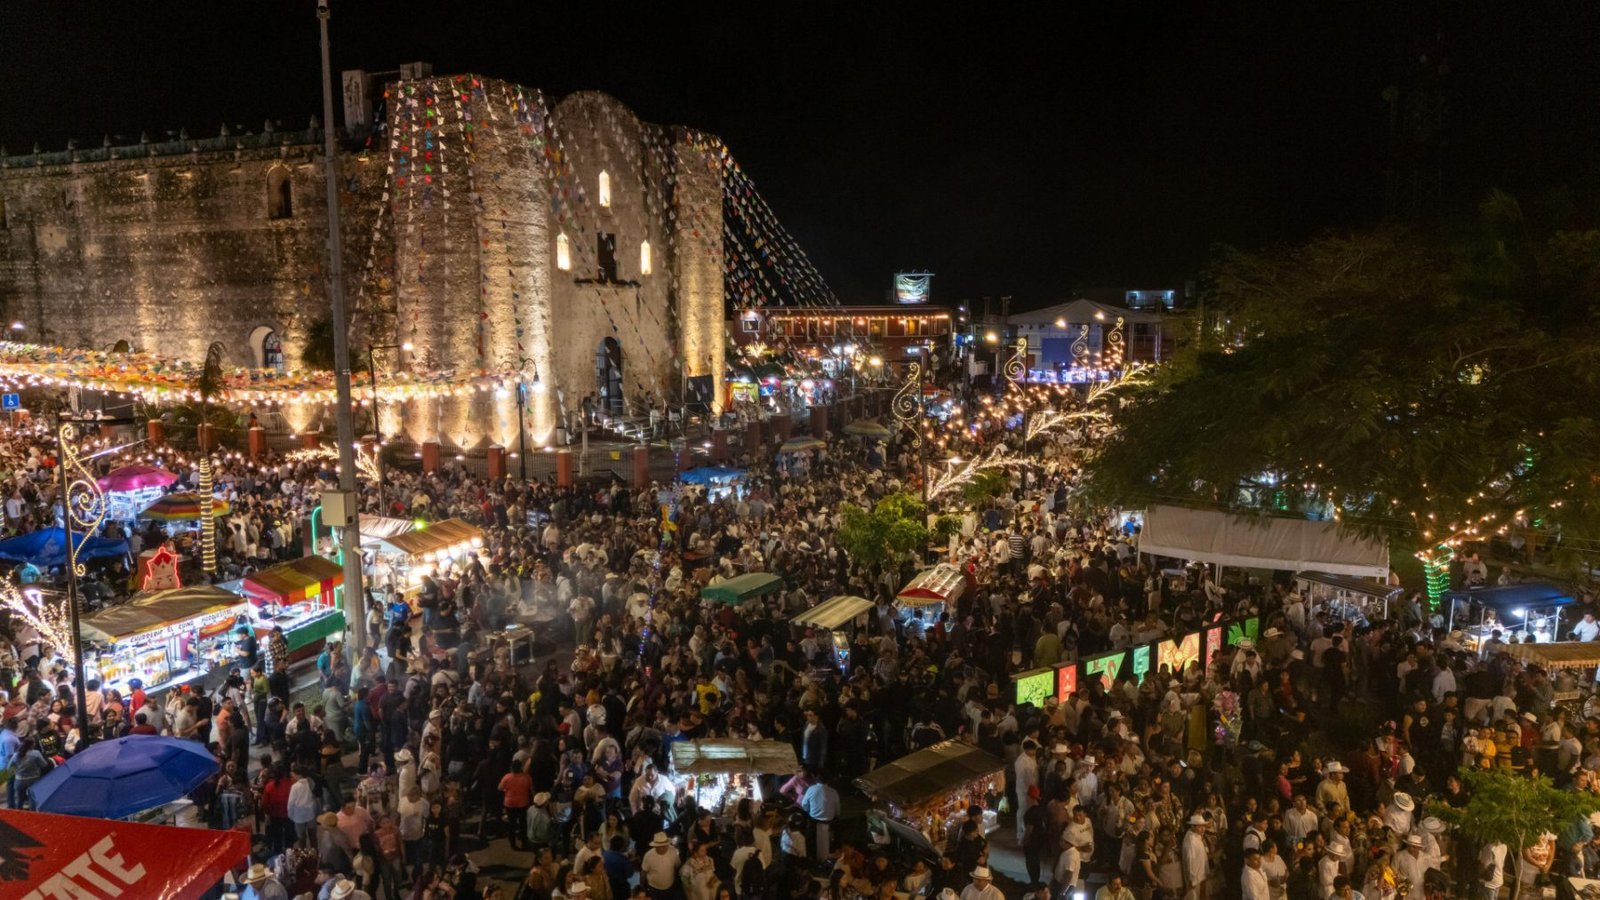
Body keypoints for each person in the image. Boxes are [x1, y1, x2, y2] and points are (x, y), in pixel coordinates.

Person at [640, 832, 681, 900]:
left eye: (664, 845)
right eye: (659, 846)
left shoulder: (673, 851)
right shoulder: (648, 855)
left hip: (670, 886)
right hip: (654, 888)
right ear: (655, 846)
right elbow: (643, 872)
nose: (662, 848)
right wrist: (642, 886)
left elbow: (677, 865)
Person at [1181, 815, 1208, 900]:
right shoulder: (1190, 841)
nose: (1203, 829)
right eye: (1200, 826)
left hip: (1200, 874)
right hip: (1195, 878)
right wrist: (1192, 879)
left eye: (1203, 826)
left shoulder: (1197, 836)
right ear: (1192, 826)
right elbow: (1190, 860)